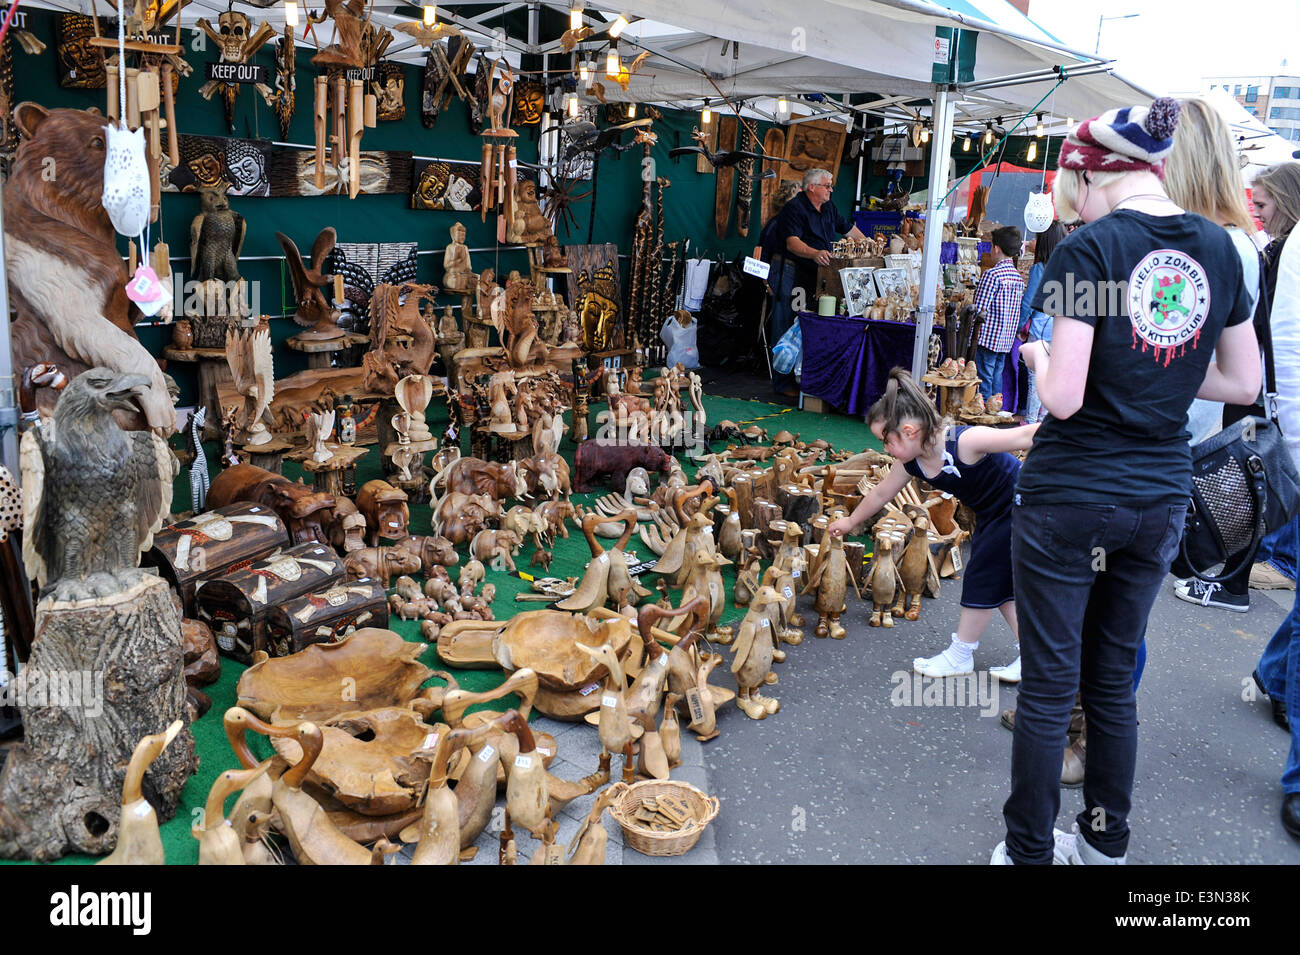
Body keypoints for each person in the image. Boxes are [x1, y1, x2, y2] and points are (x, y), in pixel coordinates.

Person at [992, 97, 1260, 866]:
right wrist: (1159, 385)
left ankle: (1029, 852)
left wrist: (1041, 362)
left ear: (1088, 168)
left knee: (1049, 688)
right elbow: (1243, 380)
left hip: (1072, 492)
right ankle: (1106, 846)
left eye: (1068, 177)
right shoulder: (1218, 245)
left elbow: (1065, 398)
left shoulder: (1087, 249)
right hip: (1157, 495)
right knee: (1112, 682)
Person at [827, 368, 1037, 680]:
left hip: (1021, 507)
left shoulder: (965, 441)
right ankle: (1035, 657)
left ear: (910, 431)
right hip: (994, 513)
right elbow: (883, 491)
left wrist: (1072, 427)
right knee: (1001, 586)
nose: (885, 449)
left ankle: (961, 654)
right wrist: (851, 520)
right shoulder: (911, 460)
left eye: (886, 440)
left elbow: (1025, 435)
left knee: (982, 576)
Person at [1160, 98, 1266, 613]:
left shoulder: (1223, 244)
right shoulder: (1229, 239)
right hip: (1180, 421)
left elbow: (1233, 371)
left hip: (1180, 424)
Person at [1244, 162, 1300, 838]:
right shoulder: (1275, 257)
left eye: (1262, 201)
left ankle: (1272, 672)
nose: (1255, 209)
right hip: (1286, 441)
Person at [776, 167, 866, 314]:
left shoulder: (829, 206)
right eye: (827, 186)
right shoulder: (794, 208)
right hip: (795, 273)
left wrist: (869, 243)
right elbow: (792, 243)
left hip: (821, 273)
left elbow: (848, 229)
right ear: (812, 187)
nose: (831, 190)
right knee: (793, 317)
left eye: (831, 186)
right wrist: (814, 253)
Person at [1018, 221, 1067, 423]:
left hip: (1040, 326)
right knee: (1052, 376)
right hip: (1061, 328)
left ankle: (1030, 423)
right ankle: (1043, 421)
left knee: (1035, 377)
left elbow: (1029, 301)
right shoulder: (1070, 266)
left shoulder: (1040, 268)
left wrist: (1019, 324)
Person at [758, 179, 804, 397]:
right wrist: (767, 282)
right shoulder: (777, 224)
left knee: (791, 325)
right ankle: (781, 382)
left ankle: (789, 378)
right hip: (781, 273)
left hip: (791, 275)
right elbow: (762, 253)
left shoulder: (791, 222)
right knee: (782, 325)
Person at [971, 226, 1025, 399]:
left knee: (984, 378)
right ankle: (995, 411)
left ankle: (984, 412)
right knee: (996, 376)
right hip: (1005, 339)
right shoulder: (1017, 277)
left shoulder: (992, 275)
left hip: (987, 338)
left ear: (996, 248)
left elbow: (979, 310)